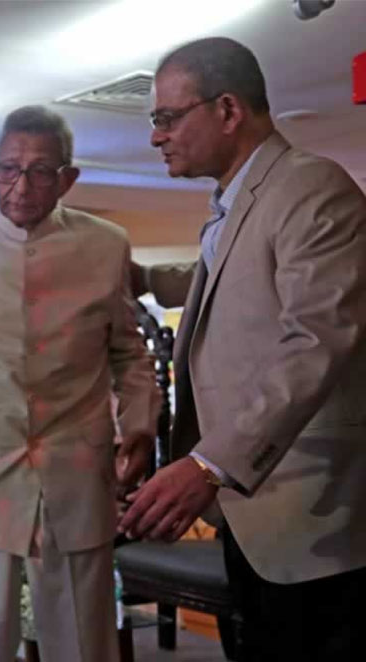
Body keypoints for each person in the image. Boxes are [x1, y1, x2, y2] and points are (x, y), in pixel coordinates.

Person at [119, 37, 366, 660]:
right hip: (252, 505)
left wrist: (208, 464)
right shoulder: (238, 200)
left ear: (228, 110)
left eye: (167, 117)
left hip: (311, 514)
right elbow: (230, 283)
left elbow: (316, 341)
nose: (155, 136)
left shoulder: (312, 187)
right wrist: (140, 277)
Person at [0, 106, 158, 662]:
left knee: (84, 642)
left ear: (67, 178)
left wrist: (140, 427)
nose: (21, 186)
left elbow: (129, 352)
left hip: (76, 470)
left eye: (41, 171)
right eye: (8, 169)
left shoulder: (106, 245)